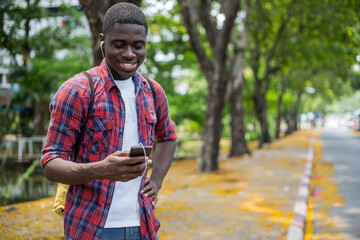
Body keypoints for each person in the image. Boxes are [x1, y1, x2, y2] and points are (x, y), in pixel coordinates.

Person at [41, 3, 177, 240]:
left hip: (143, 224)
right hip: (91, 226)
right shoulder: (77, 91)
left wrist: (156, 181)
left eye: (138, 45)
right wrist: (102, 169)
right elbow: (50, 163)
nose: (129, 54)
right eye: (119, 44)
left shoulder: (153, 92)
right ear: (103, 41)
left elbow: (168, 136)